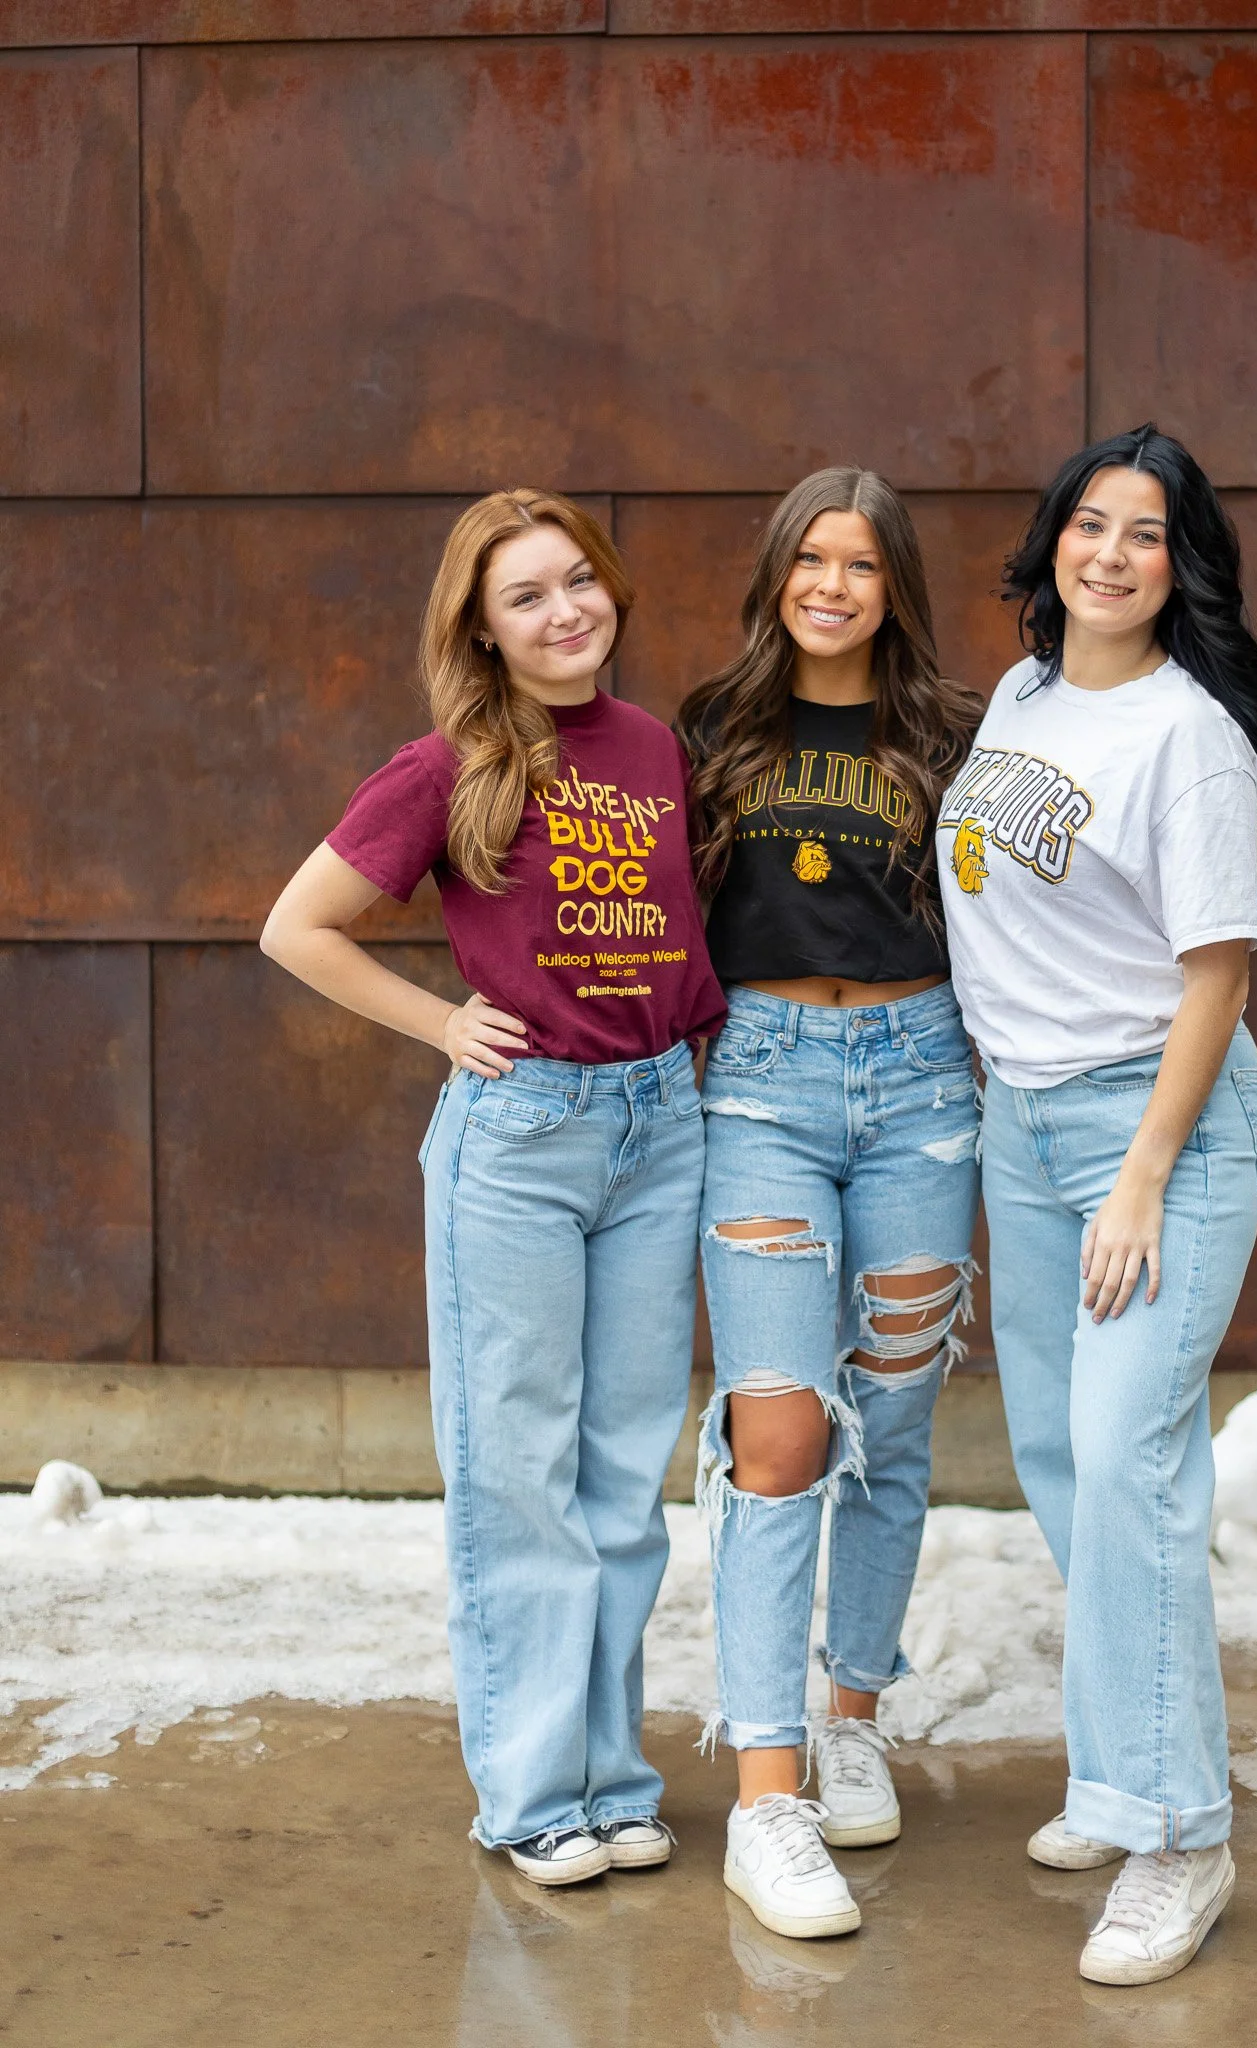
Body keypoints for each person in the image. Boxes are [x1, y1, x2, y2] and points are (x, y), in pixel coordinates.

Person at [261, 490, 725, 1888]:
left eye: (577, 580)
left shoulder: (652, 750)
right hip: (521, 1142)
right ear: (481, 626)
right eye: (525, 596)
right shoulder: (448, 764)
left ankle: (610, 1778)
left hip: (659, 1127)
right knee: (517, 1469)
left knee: (622, 1472)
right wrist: (444, 1024)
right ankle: (530, 1797)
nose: (563, 610)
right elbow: (298, 928)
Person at [936, 426, 1257, 1985]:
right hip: (1020, 1127)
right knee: (1062, 1460)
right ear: (1052, 545)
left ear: (1181, 565)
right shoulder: (1023, 695)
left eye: (1143, 535)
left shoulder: (1187, 736)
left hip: (1153, 1131)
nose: (1108, 554)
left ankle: (1178, 1833)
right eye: (1089, 525)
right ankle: (1118, 1766)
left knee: (1129, 1464)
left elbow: (1215, 970)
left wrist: (1142, 1172)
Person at [675, 468, 984, 1940]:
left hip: (925, 1080)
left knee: (899, 1409)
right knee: (781, 1424)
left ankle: (851, 1710)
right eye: (809, 557)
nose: (832, 585)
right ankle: (765, 1792)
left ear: (892, 585)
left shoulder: (953, 736)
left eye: (860, 563)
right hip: (760, 1084)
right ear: (775, 574)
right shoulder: (709, 730)